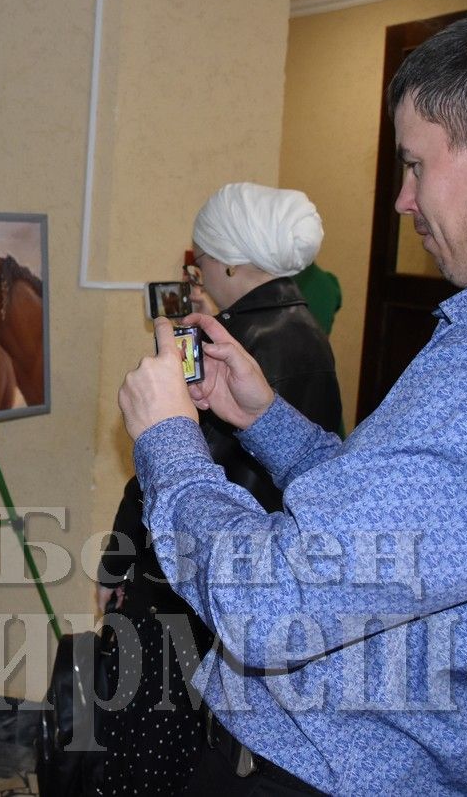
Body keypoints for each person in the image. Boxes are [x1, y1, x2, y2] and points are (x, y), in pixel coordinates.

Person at [117, 4, 467, 796]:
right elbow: (394, 524)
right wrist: (264, 420)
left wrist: (167, 440)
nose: (402, 198)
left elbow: (268, 607)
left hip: (313, 771)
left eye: (416, 164)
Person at [95, 183, 343, 797]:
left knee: (143, 743)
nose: (196, 271)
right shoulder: (309, 333)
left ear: (230, 261)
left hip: (194, 580)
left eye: (199, 258)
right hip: (256, 583)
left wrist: (115, 563)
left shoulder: (224, 346)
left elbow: (168, 469)